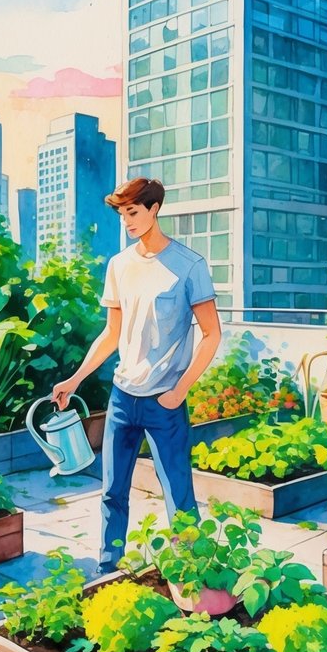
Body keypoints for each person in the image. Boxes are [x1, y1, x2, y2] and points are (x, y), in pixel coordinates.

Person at [52, 177, 221, 575]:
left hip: (165, 402)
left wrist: (180, 391)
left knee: (179, 494)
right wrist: (74, 380)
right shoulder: (119, 266)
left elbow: (212, 334)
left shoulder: (189, 266)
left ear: (154, 209)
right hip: (122, 400)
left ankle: (190, 572)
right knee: (112, 492)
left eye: (133, 212)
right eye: (122, 214)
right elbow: (111, 334)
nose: (127, 221)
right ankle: (108, 569)